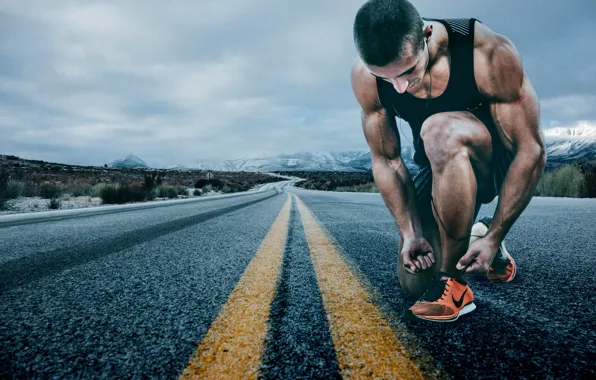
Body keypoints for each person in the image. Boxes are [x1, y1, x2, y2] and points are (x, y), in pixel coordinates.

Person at [350, 0, 546, 322]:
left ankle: (455, 285)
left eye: (408, 71)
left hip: (492, 162)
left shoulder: (487, 52)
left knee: (439, 130)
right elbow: (386, 159)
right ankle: (472, 236)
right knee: (414, 282)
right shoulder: (366, 77)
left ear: (426, 34)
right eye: (386, 78)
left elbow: (531, 150)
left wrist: (496, 236)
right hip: (439, 167)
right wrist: (410, 232)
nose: (400, 86)